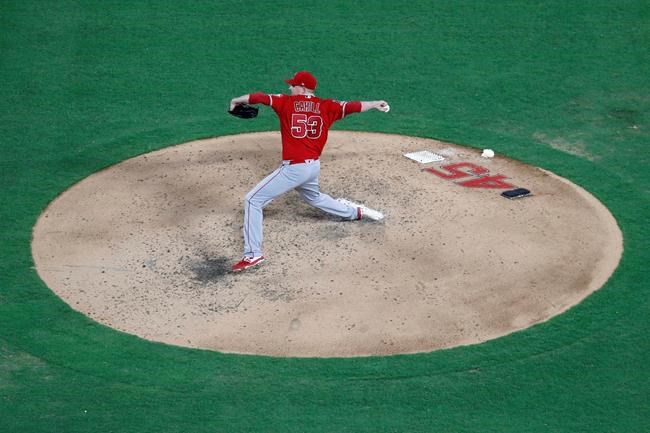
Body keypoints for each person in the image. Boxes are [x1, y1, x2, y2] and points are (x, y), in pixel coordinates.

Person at [229, 71, 390, 272]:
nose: (289, 87)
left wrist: (235, 100)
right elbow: (354, 106)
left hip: (295, 168)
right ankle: (355, 212)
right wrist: (376, 103)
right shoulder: (327, 106)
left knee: (253, 200)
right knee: (314, 197)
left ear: (303, 87)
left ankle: (253, 255)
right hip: (312, 166)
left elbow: (258, 97)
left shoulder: (286, 102)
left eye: (293, 85)